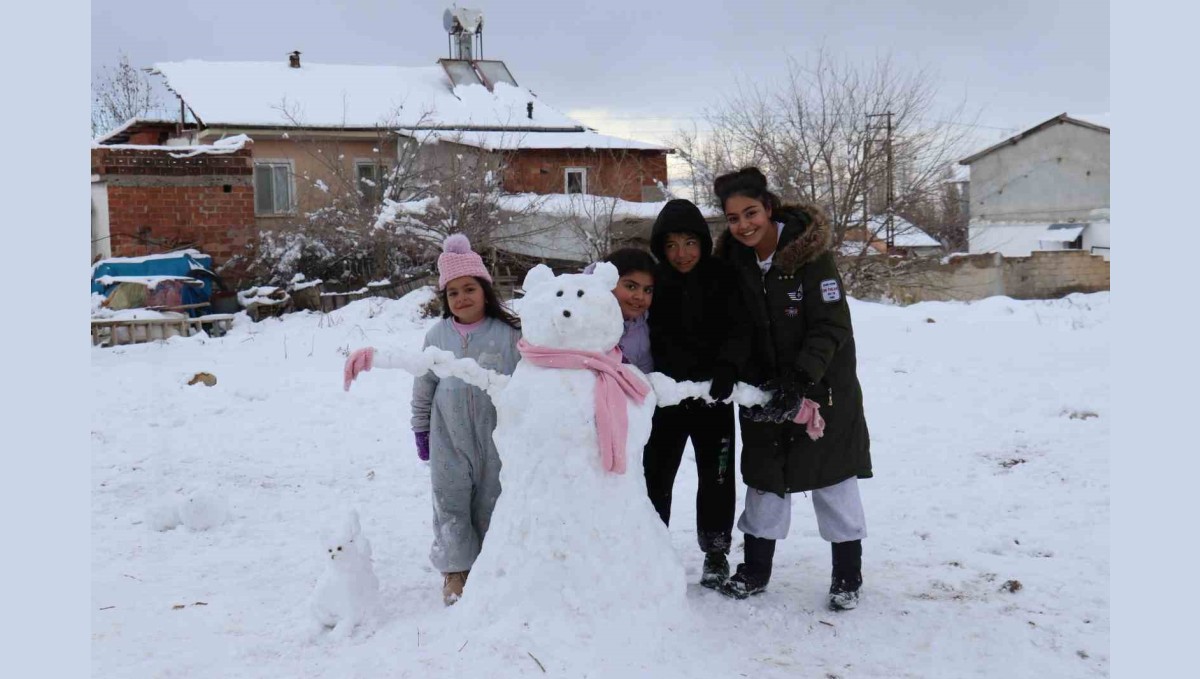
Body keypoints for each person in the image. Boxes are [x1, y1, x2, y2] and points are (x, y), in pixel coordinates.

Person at [710, 167, 872, 611]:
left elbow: (831, 325)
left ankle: (847, 576)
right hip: (763, 390)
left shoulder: (809, 256)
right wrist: (734, 368)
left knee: (833, 480)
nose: (743, 225)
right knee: (764, 479)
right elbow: (738, 327)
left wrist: (800, 380)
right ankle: (755, 571)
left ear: (769, 208)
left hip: (823, 391)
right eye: (733, 218)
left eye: (751, 213)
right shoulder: (735, 263)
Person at [343, 234, 521, 606]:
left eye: (469, 288)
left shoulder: (509, 335)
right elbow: (424, 385)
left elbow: (526, 388)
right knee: (451, 503)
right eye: (453, 293)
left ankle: (492, 566)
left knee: (493, 501)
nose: (462, 298)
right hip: (448, 438)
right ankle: (456, 571)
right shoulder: (437, 335)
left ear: (485, 290)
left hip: (498, 439)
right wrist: (421, 429)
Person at [644, 198, 750, 589]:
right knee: (656, 477)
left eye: (689, 242)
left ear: (703, 242)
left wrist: (728, 366)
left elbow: (740, 329)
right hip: (666, 401)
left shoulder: (723, 277)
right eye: (671, 245)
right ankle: (651, 549)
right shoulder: (655, 282)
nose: (681, 253)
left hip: (713, 399)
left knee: (717, 476)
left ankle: (716, 551)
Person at [589, 248, 657, 374]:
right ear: (608, 282)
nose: (640, 296)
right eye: (631, 286)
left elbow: (645, 376)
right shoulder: (581, 316)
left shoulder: (641, 332)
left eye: (647, 290)